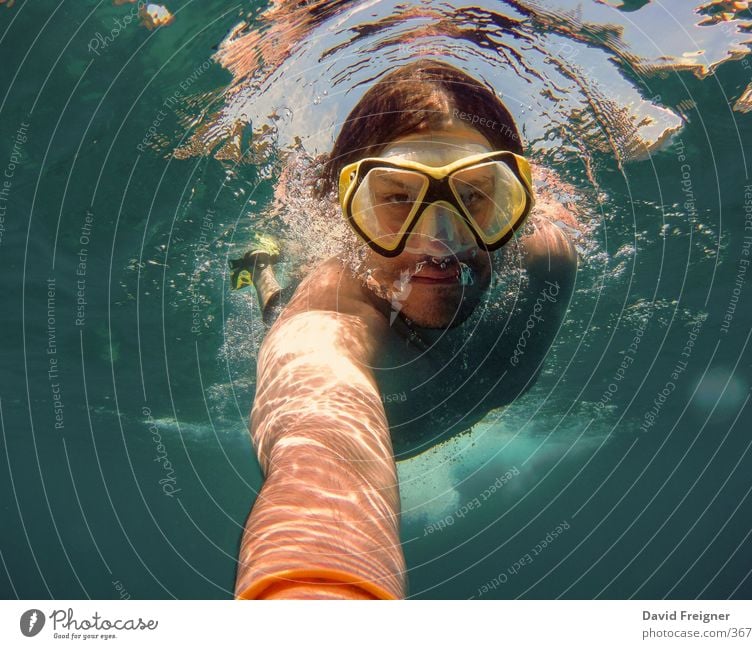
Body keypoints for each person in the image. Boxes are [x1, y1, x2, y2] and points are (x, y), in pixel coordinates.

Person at [233, 59, 578, 600]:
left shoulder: (548, 259)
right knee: (275, 306)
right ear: (348, 212)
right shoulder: (328, 324)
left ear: (515, 202)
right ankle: (261, 266)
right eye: (396, 198)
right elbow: (322, 437)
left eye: (475, 196)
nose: (440, 241)